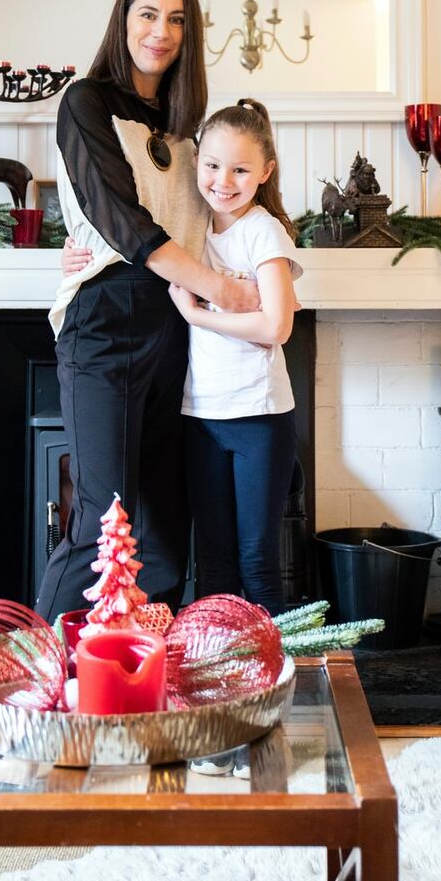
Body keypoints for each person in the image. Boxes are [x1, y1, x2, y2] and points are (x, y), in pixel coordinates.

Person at [35, 0, 258, 625]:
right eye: (148, 14)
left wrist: (254, 267)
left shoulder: (191, 128)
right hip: (106, 319)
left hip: (180, 323)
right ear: (124, 20)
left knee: (162, 535)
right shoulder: (85, 102)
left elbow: (227, 203)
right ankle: (33, 684)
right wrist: (220, 287)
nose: (162, 31)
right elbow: (124, 223)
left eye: (177, 19)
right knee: (102, 523)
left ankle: (145, 682)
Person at [167, 99, 302, 618]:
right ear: (197, 163)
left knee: (256, 558)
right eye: (213, 165)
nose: (224, 180)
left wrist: (201, 315)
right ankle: (215, 664)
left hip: (259, 419)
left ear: (264, 172)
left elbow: (276, 326)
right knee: (215, 560)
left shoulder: (263, 232)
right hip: (200, 415)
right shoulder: (192, 227)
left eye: (241, 169)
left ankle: (272, 674)